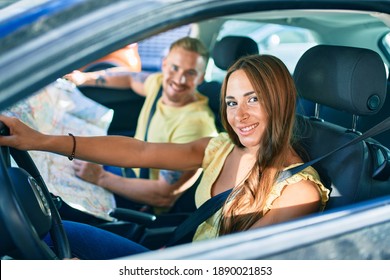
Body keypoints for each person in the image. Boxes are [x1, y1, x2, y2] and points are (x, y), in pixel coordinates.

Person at [0, 54, 329, 259]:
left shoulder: (299, 192)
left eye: (252, 99)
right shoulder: (221, 148)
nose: (239, 115)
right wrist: (40, 140)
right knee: (54, 234)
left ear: (281, 101)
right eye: (231, 102)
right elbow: (140, 151)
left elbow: (236, 268)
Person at [63, 37, 218, 215]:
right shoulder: (158, 84)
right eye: (175, 68)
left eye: (191, 73)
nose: (179, 79)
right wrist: (83, 78)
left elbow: (163, 196)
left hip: (142, 205)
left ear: (201, 77)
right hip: (125, 171)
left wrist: (100, 177)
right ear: (164, 64)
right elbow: (129, 77)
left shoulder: (196, 125)